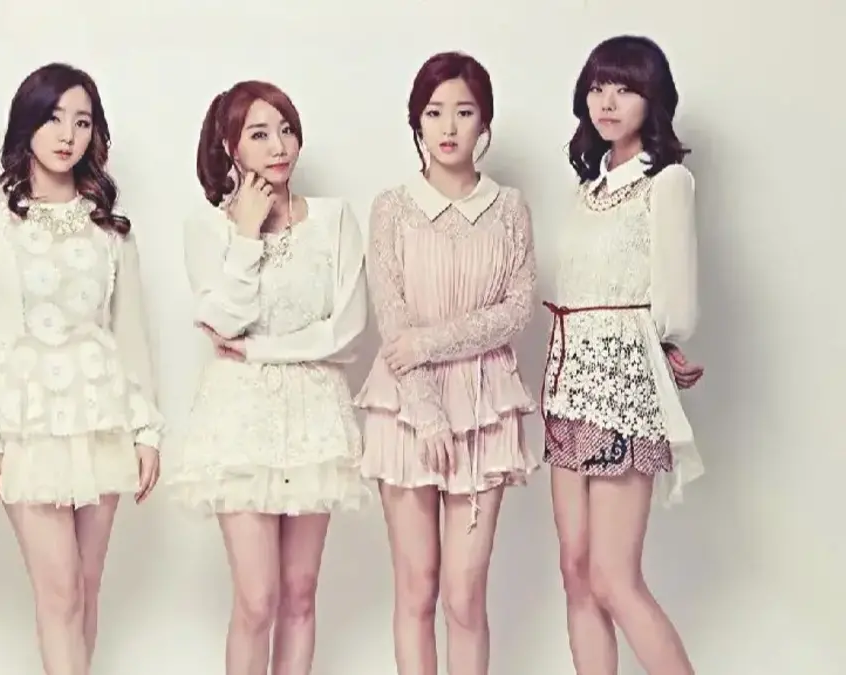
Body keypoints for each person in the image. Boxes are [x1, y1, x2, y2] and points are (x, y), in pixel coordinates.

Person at [0, 63, 163, 675]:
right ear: (27, 123)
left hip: (102, 416)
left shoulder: (107, 224)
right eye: (54, 118)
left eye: (82, 122)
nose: (67, 135)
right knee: (59, 591)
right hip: (26, 421)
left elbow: (130, 333)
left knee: (86, 589)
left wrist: (147, 430)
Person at [167, 80, 369, 675]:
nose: (279, 146)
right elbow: (222, 320)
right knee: (257, 599)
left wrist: (259, 352)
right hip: (240, 421)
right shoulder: (208, 227)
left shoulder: (334, 219)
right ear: (230, 147)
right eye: (259, 134)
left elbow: (347, 332)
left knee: (300, 594)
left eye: (286, 130)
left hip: (315, 415)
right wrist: (246, 235)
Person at [355, 52, 538, 675]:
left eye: (464, 111)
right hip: (406, 407)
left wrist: (432, 343)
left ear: (484, 121)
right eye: (434, 113)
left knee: (465, 596)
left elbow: (517, 311)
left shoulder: (509, 207)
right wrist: (429, 413)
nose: (449, 126)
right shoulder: (392, 207)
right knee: (417, 589)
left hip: (486, 406)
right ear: (417, 122)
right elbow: (393, 320)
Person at [542, 35, 703, 675]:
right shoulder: (587, 189)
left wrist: (663, 342)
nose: (607, 102)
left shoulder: (666, 182)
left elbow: (677, 301)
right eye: (598, 87)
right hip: (565, 384)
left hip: (622, 386)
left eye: (625, 89)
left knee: (614, 577)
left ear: (651, 99)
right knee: (576, 572)